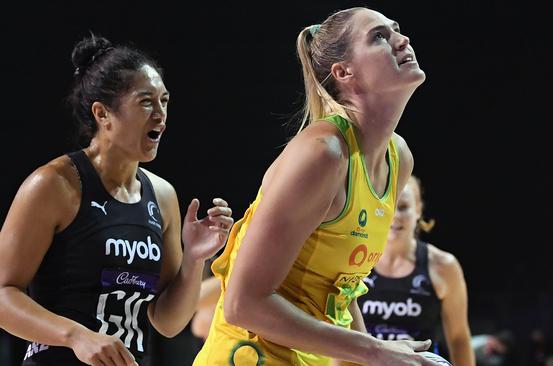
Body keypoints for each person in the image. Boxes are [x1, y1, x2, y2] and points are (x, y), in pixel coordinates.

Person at [193, 6, 439, 366]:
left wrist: (373, 357)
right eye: (380, 37)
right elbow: (241, 304)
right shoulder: (323, 153)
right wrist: (377, 350)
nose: (403, 40)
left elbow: (344, 290)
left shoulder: (398, 157)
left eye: (397, 30)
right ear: (343, 72)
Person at [0, 34, 234, 366]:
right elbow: (2, 294)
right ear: (102, 114)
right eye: (146, 102)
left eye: (164, 100)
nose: (161, 115)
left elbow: (168, 323)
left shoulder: (163, 195)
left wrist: (194, 260)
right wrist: (76, 335)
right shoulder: (53, 184)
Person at [358, 175, 475, 366]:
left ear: (418, 210)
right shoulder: (356, 258)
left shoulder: (444, 266)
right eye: (389, 205)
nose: (395, 215)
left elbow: (458, 338)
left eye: (403, 207)